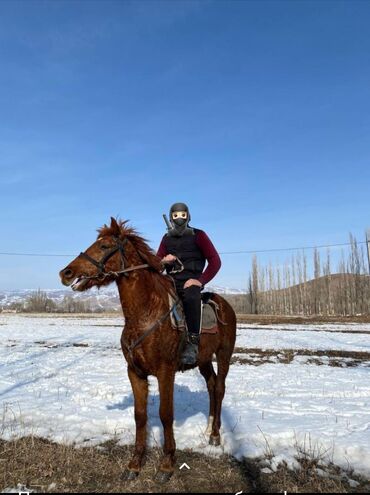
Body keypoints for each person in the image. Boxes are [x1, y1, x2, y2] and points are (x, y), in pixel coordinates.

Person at [157, 202, 221, 365]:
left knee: (191, 295)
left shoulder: (199, 235)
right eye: (176, 216)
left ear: (188, 216)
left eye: (182, 215)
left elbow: (215, 261)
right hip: (171, 282)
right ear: (171, 217)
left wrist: (199, 281)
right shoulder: (166, 239)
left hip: (191, 282)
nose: (179, 219)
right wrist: (164, 261)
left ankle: (192, 343)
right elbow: (156, 264)